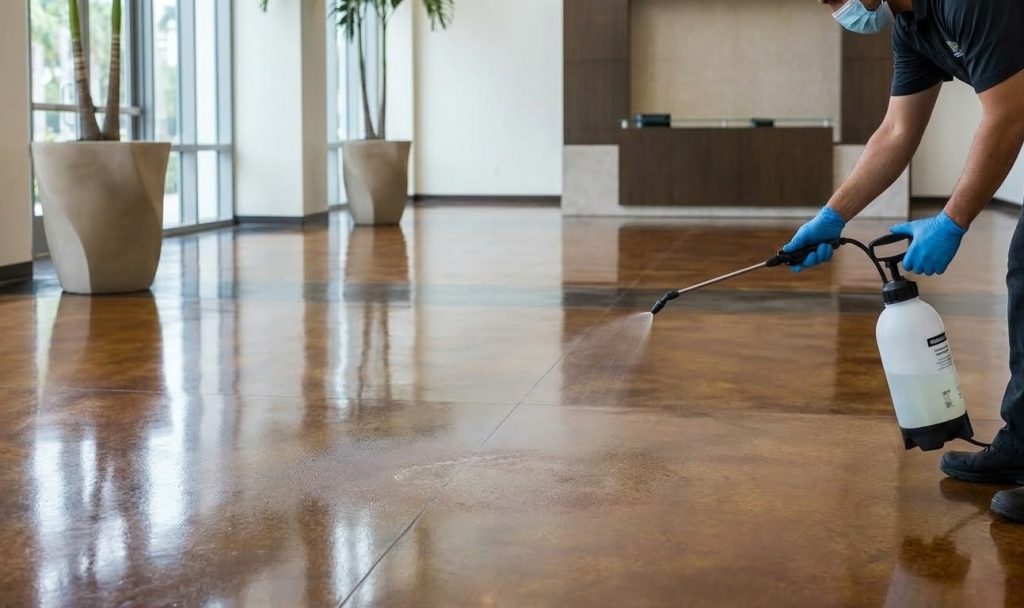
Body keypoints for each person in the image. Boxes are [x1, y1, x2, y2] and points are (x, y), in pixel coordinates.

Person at [788, 0, 1024, 522]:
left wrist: (952, 220)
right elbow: (896, 133)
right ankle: (1023, 442)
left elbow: (1009, 111)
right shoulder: (912, 28)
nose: (834, 8)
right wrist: (832, 216)